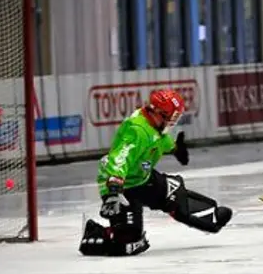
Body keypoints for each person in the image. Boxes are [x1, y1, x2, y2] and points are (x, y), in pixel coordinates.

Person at [79, 89, 233, 256]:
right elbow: (119, 158)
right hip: (122, 187)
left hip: (143, 179)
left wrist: (175, 148)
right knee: (128, 244)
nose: (173, 122)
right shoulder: (136, 130)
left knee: (176, 198)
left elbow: (160, 140)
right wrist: (113, 190)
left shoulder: (154, 126)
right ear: (159, 113)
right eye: (173, 117)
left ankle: (212, 215)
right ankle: (94, 233)